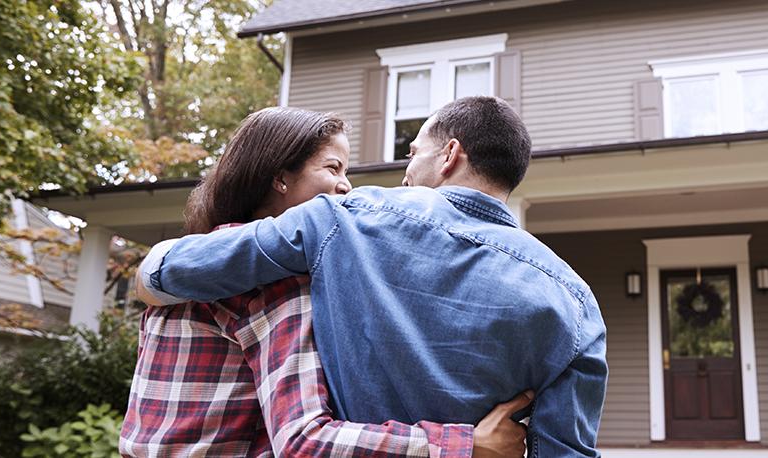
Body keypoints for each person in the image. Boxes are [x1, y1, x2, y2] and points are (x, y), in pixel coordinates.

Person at [137, 96, 608, 457]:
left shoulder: (342, 219)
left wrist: (149, 274)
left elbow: (176, 268)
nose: (404, 174)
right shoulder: (577, 301)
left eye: (412, 154)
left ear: (449, 155)